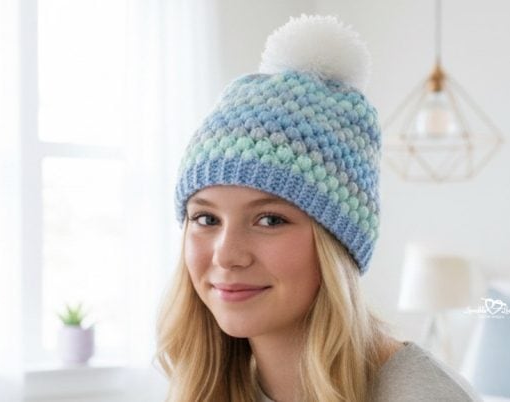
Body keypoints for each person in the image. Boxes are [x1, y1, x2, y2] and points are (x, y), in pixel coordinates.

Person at [156, 14, 480, 402]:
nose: (226, 254)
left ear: (337, 242)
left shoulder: (421, 395)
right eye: (206, 218)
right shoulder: (209, 385)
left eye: (270, 219)